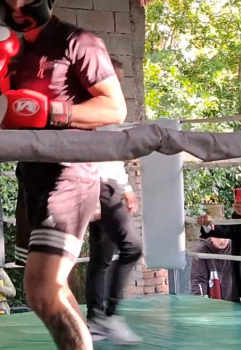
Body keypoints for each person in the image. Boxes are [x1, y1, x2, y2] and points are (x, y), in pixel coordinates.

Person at [0, 0, 127, 350]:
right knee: (51, 289)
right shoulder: (10, 48)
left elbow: (115, 108)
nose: (17, 5)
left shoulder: (79, 42)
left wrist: (56, 112)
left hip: (69, 174)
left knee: (42, 290)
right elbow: (9, 118)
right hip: (31, 173)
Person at [85, 61, 143, 345]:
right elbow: (89, 153)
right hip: (99, 188)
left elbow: (111, 153)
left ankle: (97, 320)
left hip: (107, 187)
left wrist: (127, 187)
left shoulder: (109, 107)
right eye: (113, 77)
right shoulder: (91, 107)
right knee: (131, 248)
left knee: (101, 259)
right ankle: (109, 316)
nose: (116, 83)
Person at [190, 237, 236, 301]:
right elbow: (199, 280)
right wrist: (199, 301)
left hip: (233, 302)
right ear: (211, 237)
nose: (222, 240)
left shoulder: (236, 249)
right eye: (218, 237)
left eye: (225, 237)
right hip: (209, 302)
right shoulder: (201, 251)